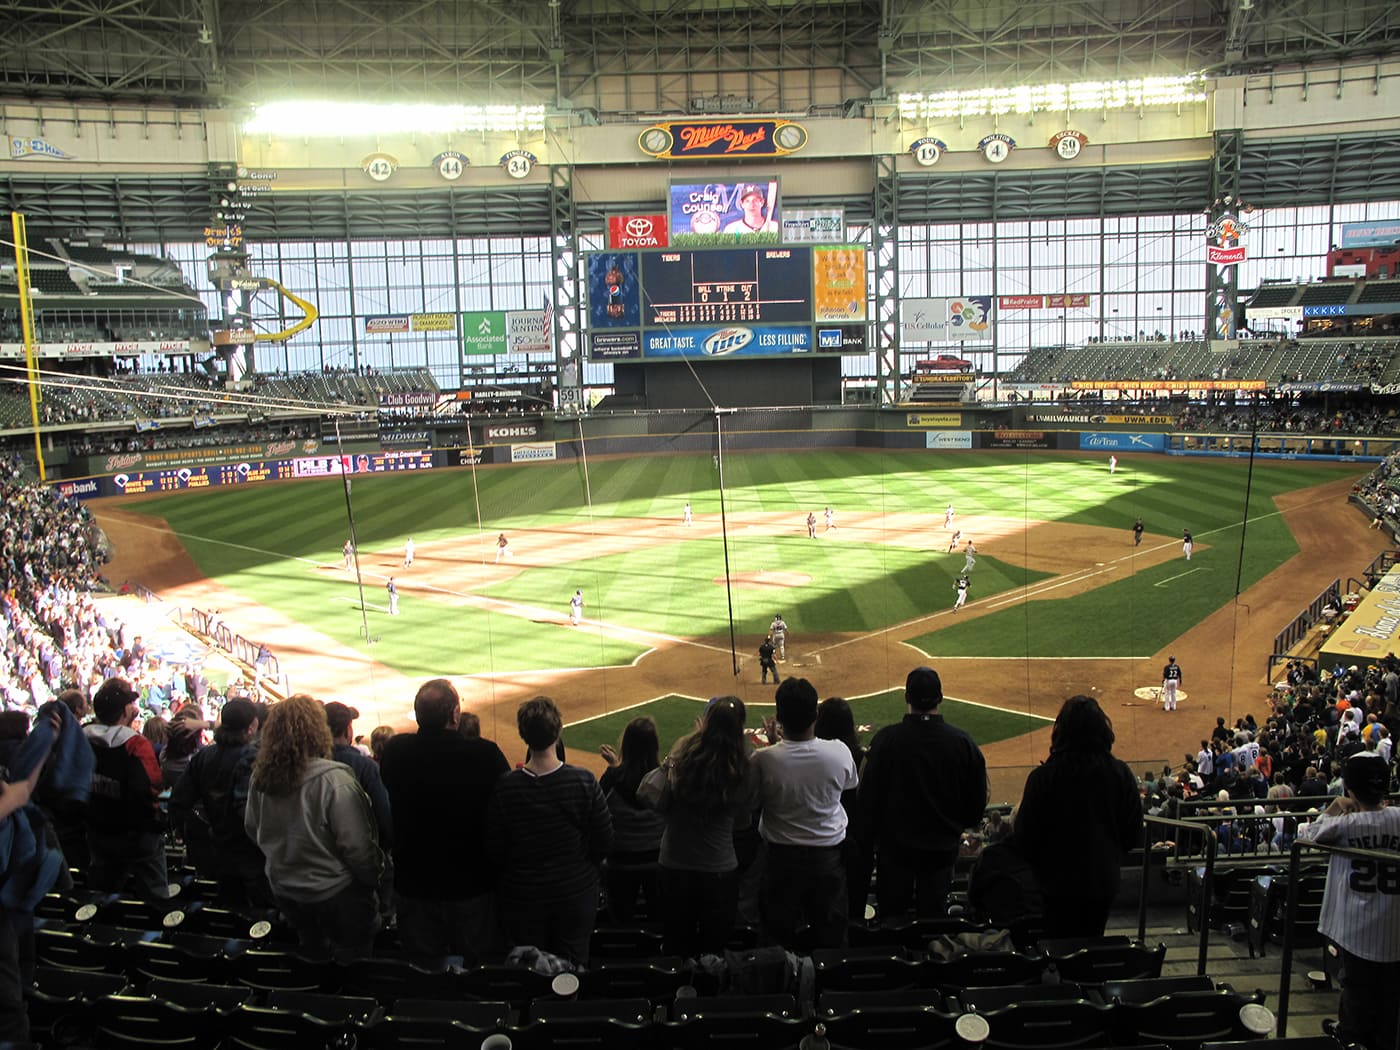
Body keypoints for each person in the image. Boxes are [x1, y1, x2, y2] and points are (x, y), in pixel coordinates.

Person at [244, 695, 385, 963]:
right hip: (337, 894)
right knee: (351, 962)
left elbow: (253, 829)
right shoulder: (335, 779)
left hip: (286, 890)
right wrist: (376, 878)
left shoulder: (259, 777)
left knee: (311, 955)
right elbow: (358, 849)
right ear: (317, 731)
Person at [379, 679, 510, 964]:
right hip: (472, 885)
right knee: (480, 969)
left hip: (415, 884)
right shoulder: (485, 754)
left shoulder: (396, 751)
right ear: (454, 715)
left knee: (425, 975)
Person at [486, 696, 612, 964]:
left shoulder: (506, 787)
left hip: (524, 895)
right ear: (558, 731)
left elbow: (496, 848)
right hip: (576, 892)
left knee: (529, 967)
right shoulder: (584, 780)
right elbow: (604, 840)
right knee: (574, 970)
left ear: (523, 735)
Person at [858, 667, 988, 921]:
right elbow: (976, 806)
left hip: (894, 853)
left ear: (907, 697)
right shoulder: (962, 743)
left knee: (892, 922)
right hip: (942, 852)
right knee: (934, 922)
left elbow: (867, 802)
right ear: (940, 698)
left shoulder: (886, 741)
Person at [1013, 695, 1143, 937]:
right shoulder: (1121, 774)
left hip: (1054, 884)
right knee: (1092, 940)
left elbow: (1024, 839)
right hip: (1102, 881)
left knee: (1058, 944)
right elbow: (1133, 835)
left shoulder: (1043, 777)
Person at [1297, 753, 1400, 1050]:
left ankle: (1351, 1038)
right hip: (1394, 931)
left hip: (1358, 933)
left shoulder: (1346, 825)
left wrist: (1334, 807)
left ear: (1349, 789)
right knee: (1389, 1001)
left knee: (1356, 995)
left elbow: (1311, 834)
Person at [644, 697, 757, 958]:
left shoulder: (681, 753)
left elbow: (652, 797)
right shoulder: (744, 762)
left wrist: (690, 744)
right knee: (714, 949)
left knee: (675, 944)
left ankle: (678, 995)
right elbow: (743, 821)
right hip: (719, 867)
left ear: (706, 723)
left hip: (674, 862)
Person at [751, 677, 858, 948]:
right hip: (827, 859)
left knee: (776, 939)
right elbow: (849, 785)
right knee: (831, 938)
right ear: (815, 715)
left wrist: (776, 747)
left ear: (778, 717)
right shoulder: (839, 751)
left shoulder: (762, 760)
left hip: (780, 861)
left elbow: (753, 799)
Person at [168, 698, 271, 908]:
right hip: (252, 855)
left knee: (230, 911)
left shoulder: (204, 755)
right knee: (261, 915)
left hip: (218, 852)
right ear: (253, 726)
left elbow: (178, 802)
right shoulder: (254, 758)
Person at [83, 678, 169, 899]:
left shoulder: (82, 737)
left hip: (98, 827)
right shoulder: (135, 744)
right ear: (123, 712)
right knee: (154, 893)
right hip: (136, 832)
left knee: (102, 891)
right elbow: (152, 785)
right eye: (129, 705)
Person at [598, 717, 666, 924]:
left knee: (620, 919)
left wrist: (615, 768)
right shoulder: (666, 778)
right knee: (659, 918)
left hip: (620, 861)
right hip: (658, 861)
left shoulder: (612, 778)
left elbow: (598, 816)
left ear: (626, 746)